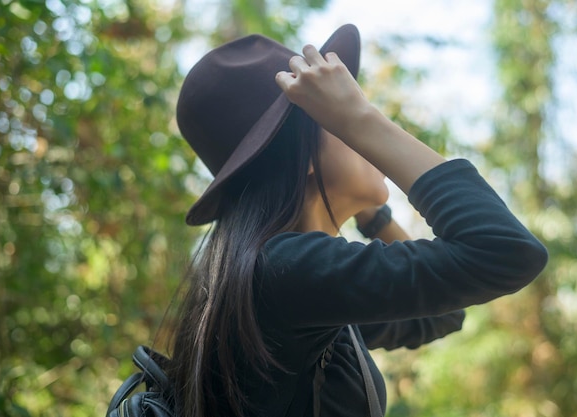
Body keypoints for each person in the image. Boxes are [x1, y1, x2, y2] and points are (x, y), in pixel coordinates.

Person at [169, 24, 548, 417]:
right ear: (306, 147)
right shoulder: (286, 271)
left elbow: (441, 315)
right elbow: (505, 251)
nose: (364, 119)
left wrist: (373, 213)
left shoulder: (283, 280)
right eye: (340, 113)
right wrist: (360, 120)